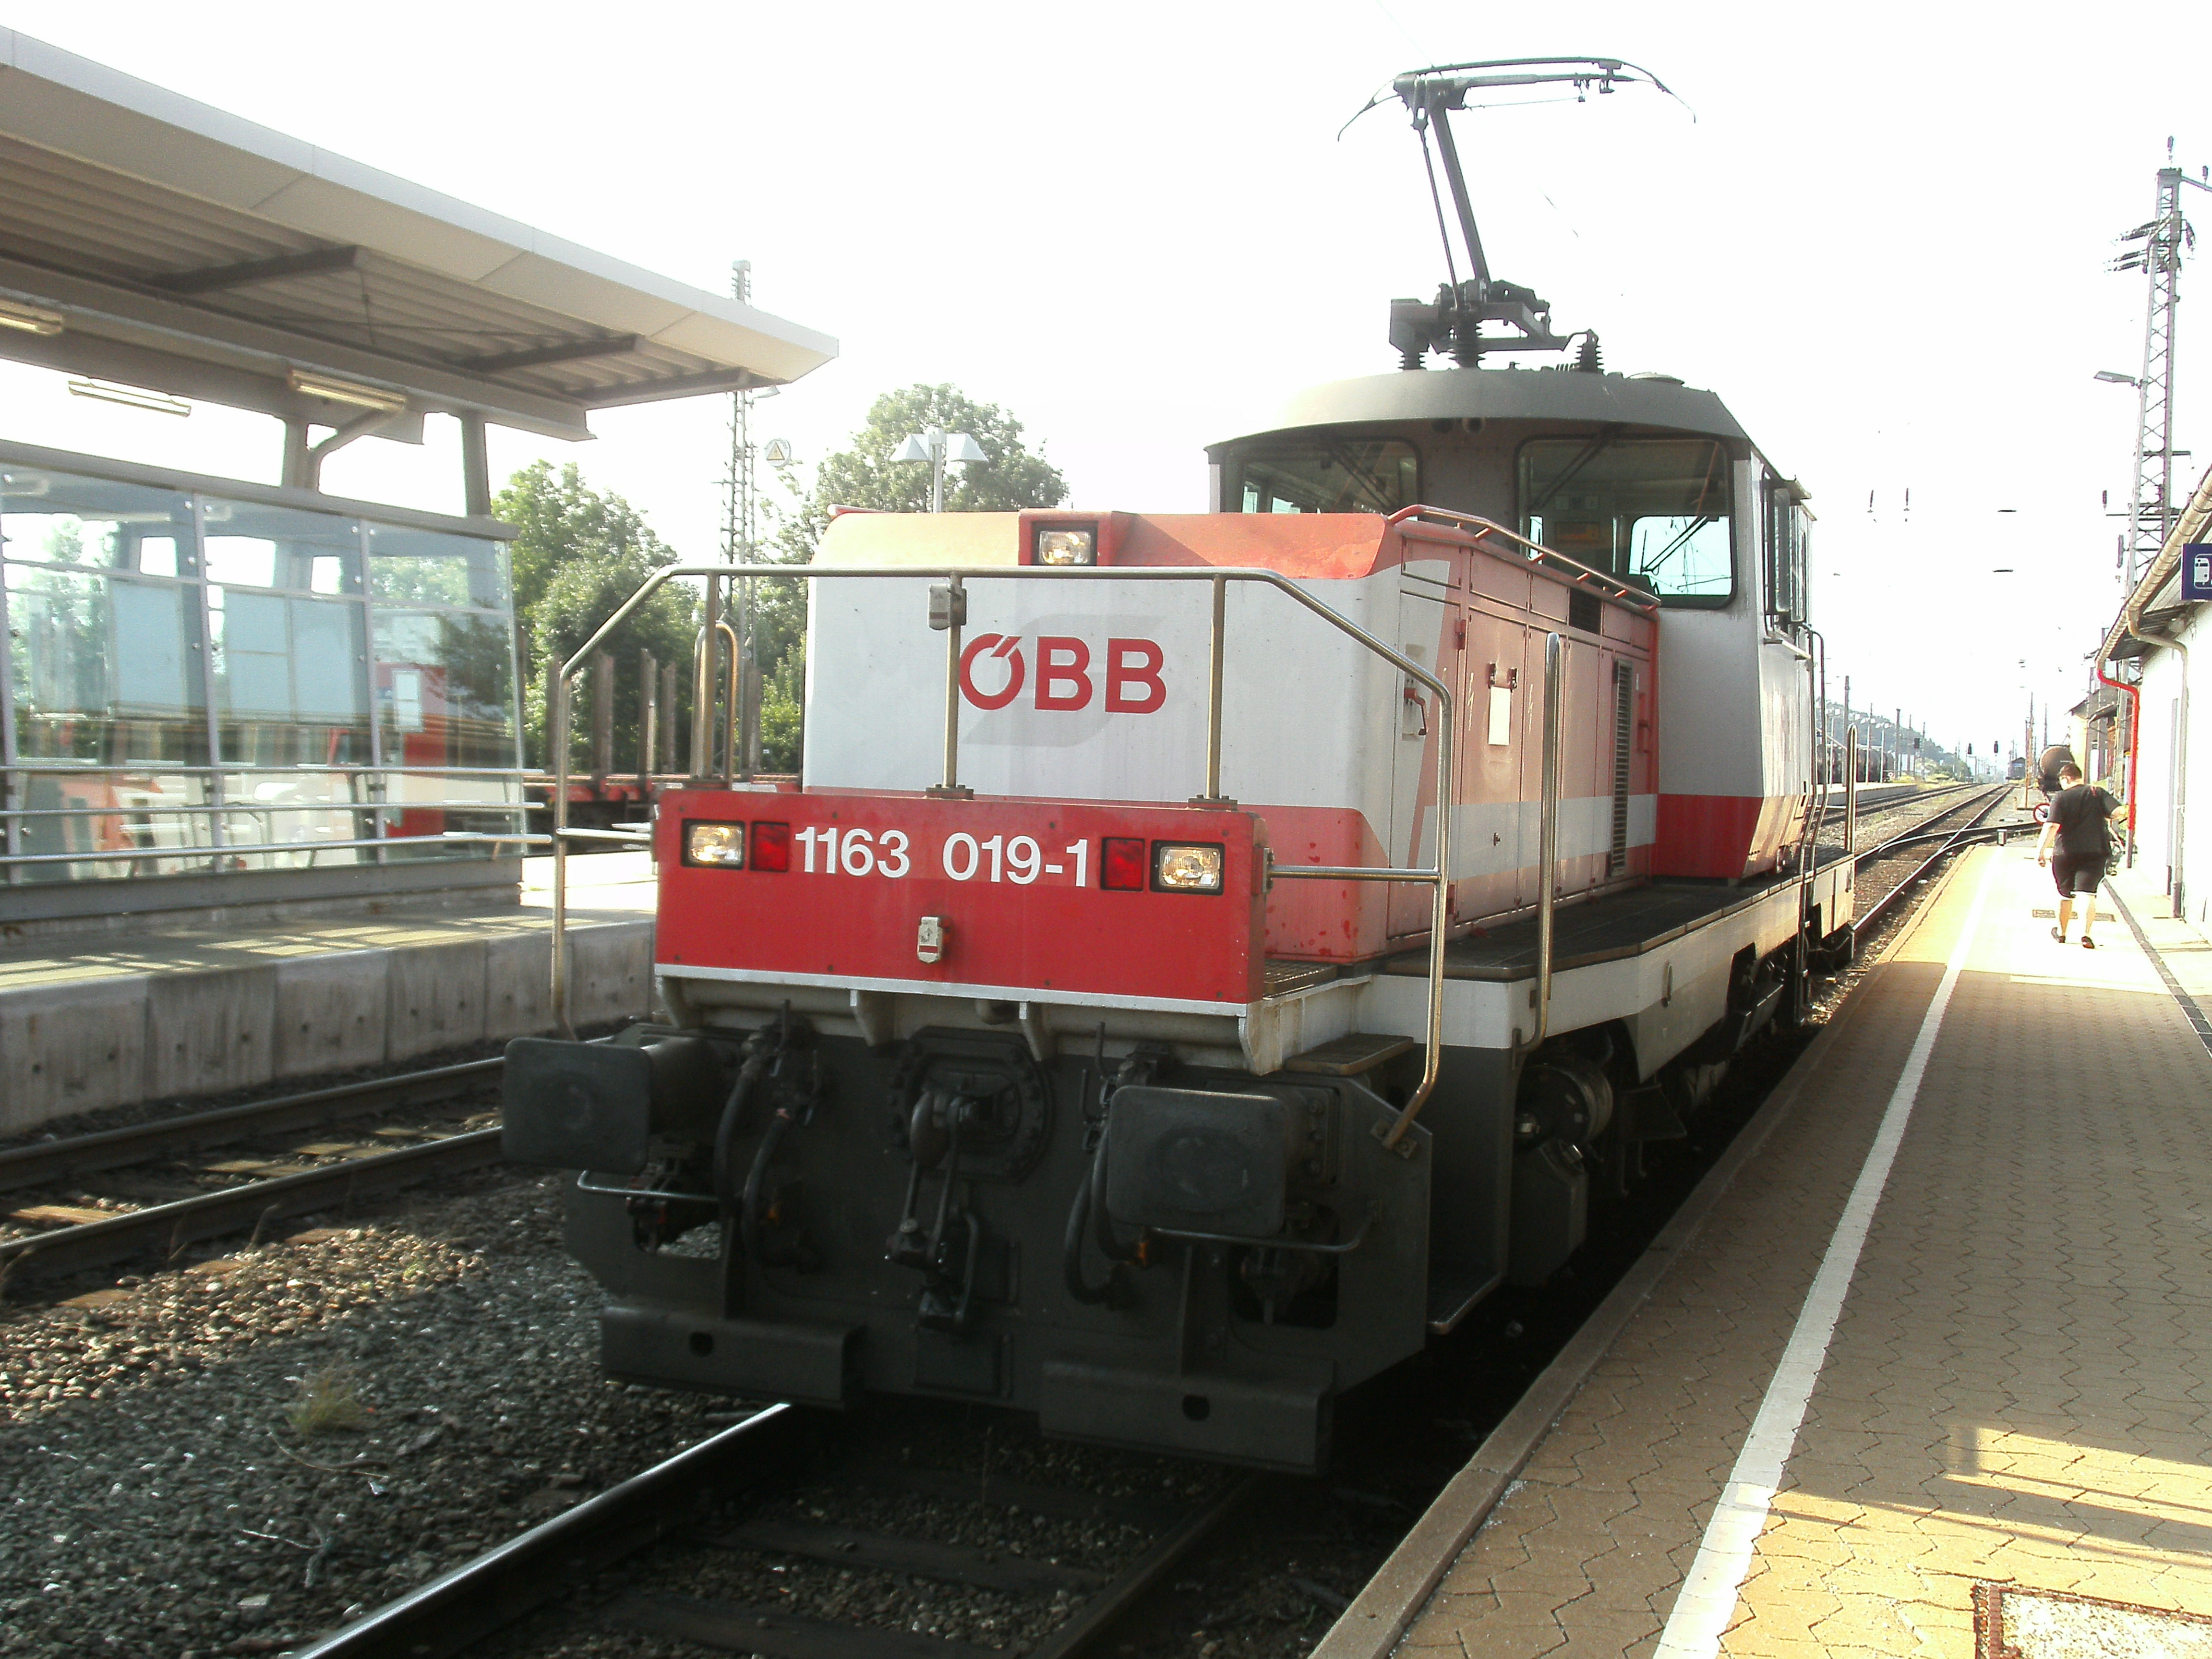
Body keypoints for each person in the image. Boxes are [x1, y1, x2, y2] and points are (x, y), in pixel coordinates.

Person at [2037, 762, 2122, 947]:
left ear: (2066, 779)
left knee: (2064, 894)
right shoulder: (2097, 793)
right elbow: (2118, 812)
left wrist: (2040, 851)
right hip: (2095, 852)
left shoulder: (2061, 798)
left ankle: (2062, 933)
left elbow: (2052, 826)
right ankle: (2086, 935)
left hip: (2065, 853)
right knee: (2087, 894)